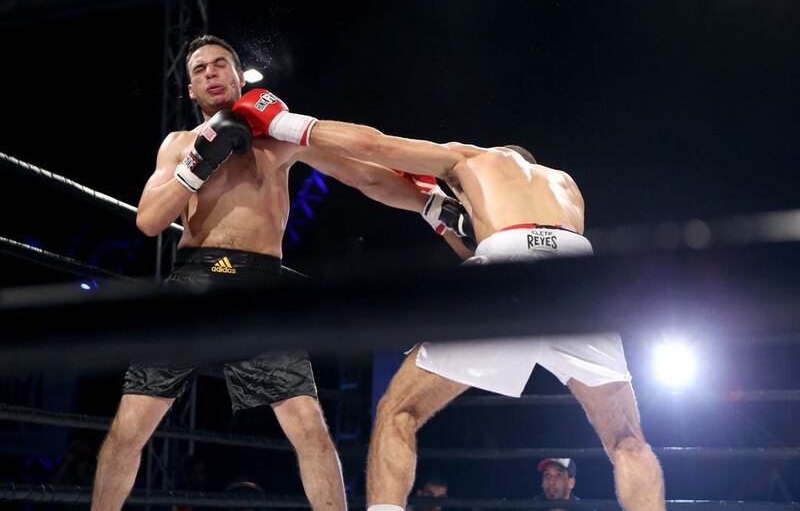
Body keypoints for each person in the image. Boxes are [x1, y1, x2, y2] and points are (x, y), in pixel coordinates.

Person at [228, 89, 666, 511]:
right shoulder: (566, 185)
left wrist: (283, 125)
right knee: (627, 440)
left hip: (507, 269)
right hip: (578, 275)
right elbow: (527, 246)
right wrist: (440, 216)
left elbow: (373, 149)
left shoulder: (472, 158)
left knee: (397, 412)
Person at [91, 35, 471, 511]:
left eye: (220, 65)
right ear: (190, 89)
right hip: (193, 280)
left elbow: (365, 176)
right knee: (129, 427)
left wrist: (430, 205)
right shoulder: (178, 144)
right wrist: (197, 164)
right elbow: (148, 221)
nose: (210, 73)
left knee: (310, 429)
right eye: (200, 69)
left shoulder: (279, 138)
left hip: (260, 288)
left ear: (237, 76)